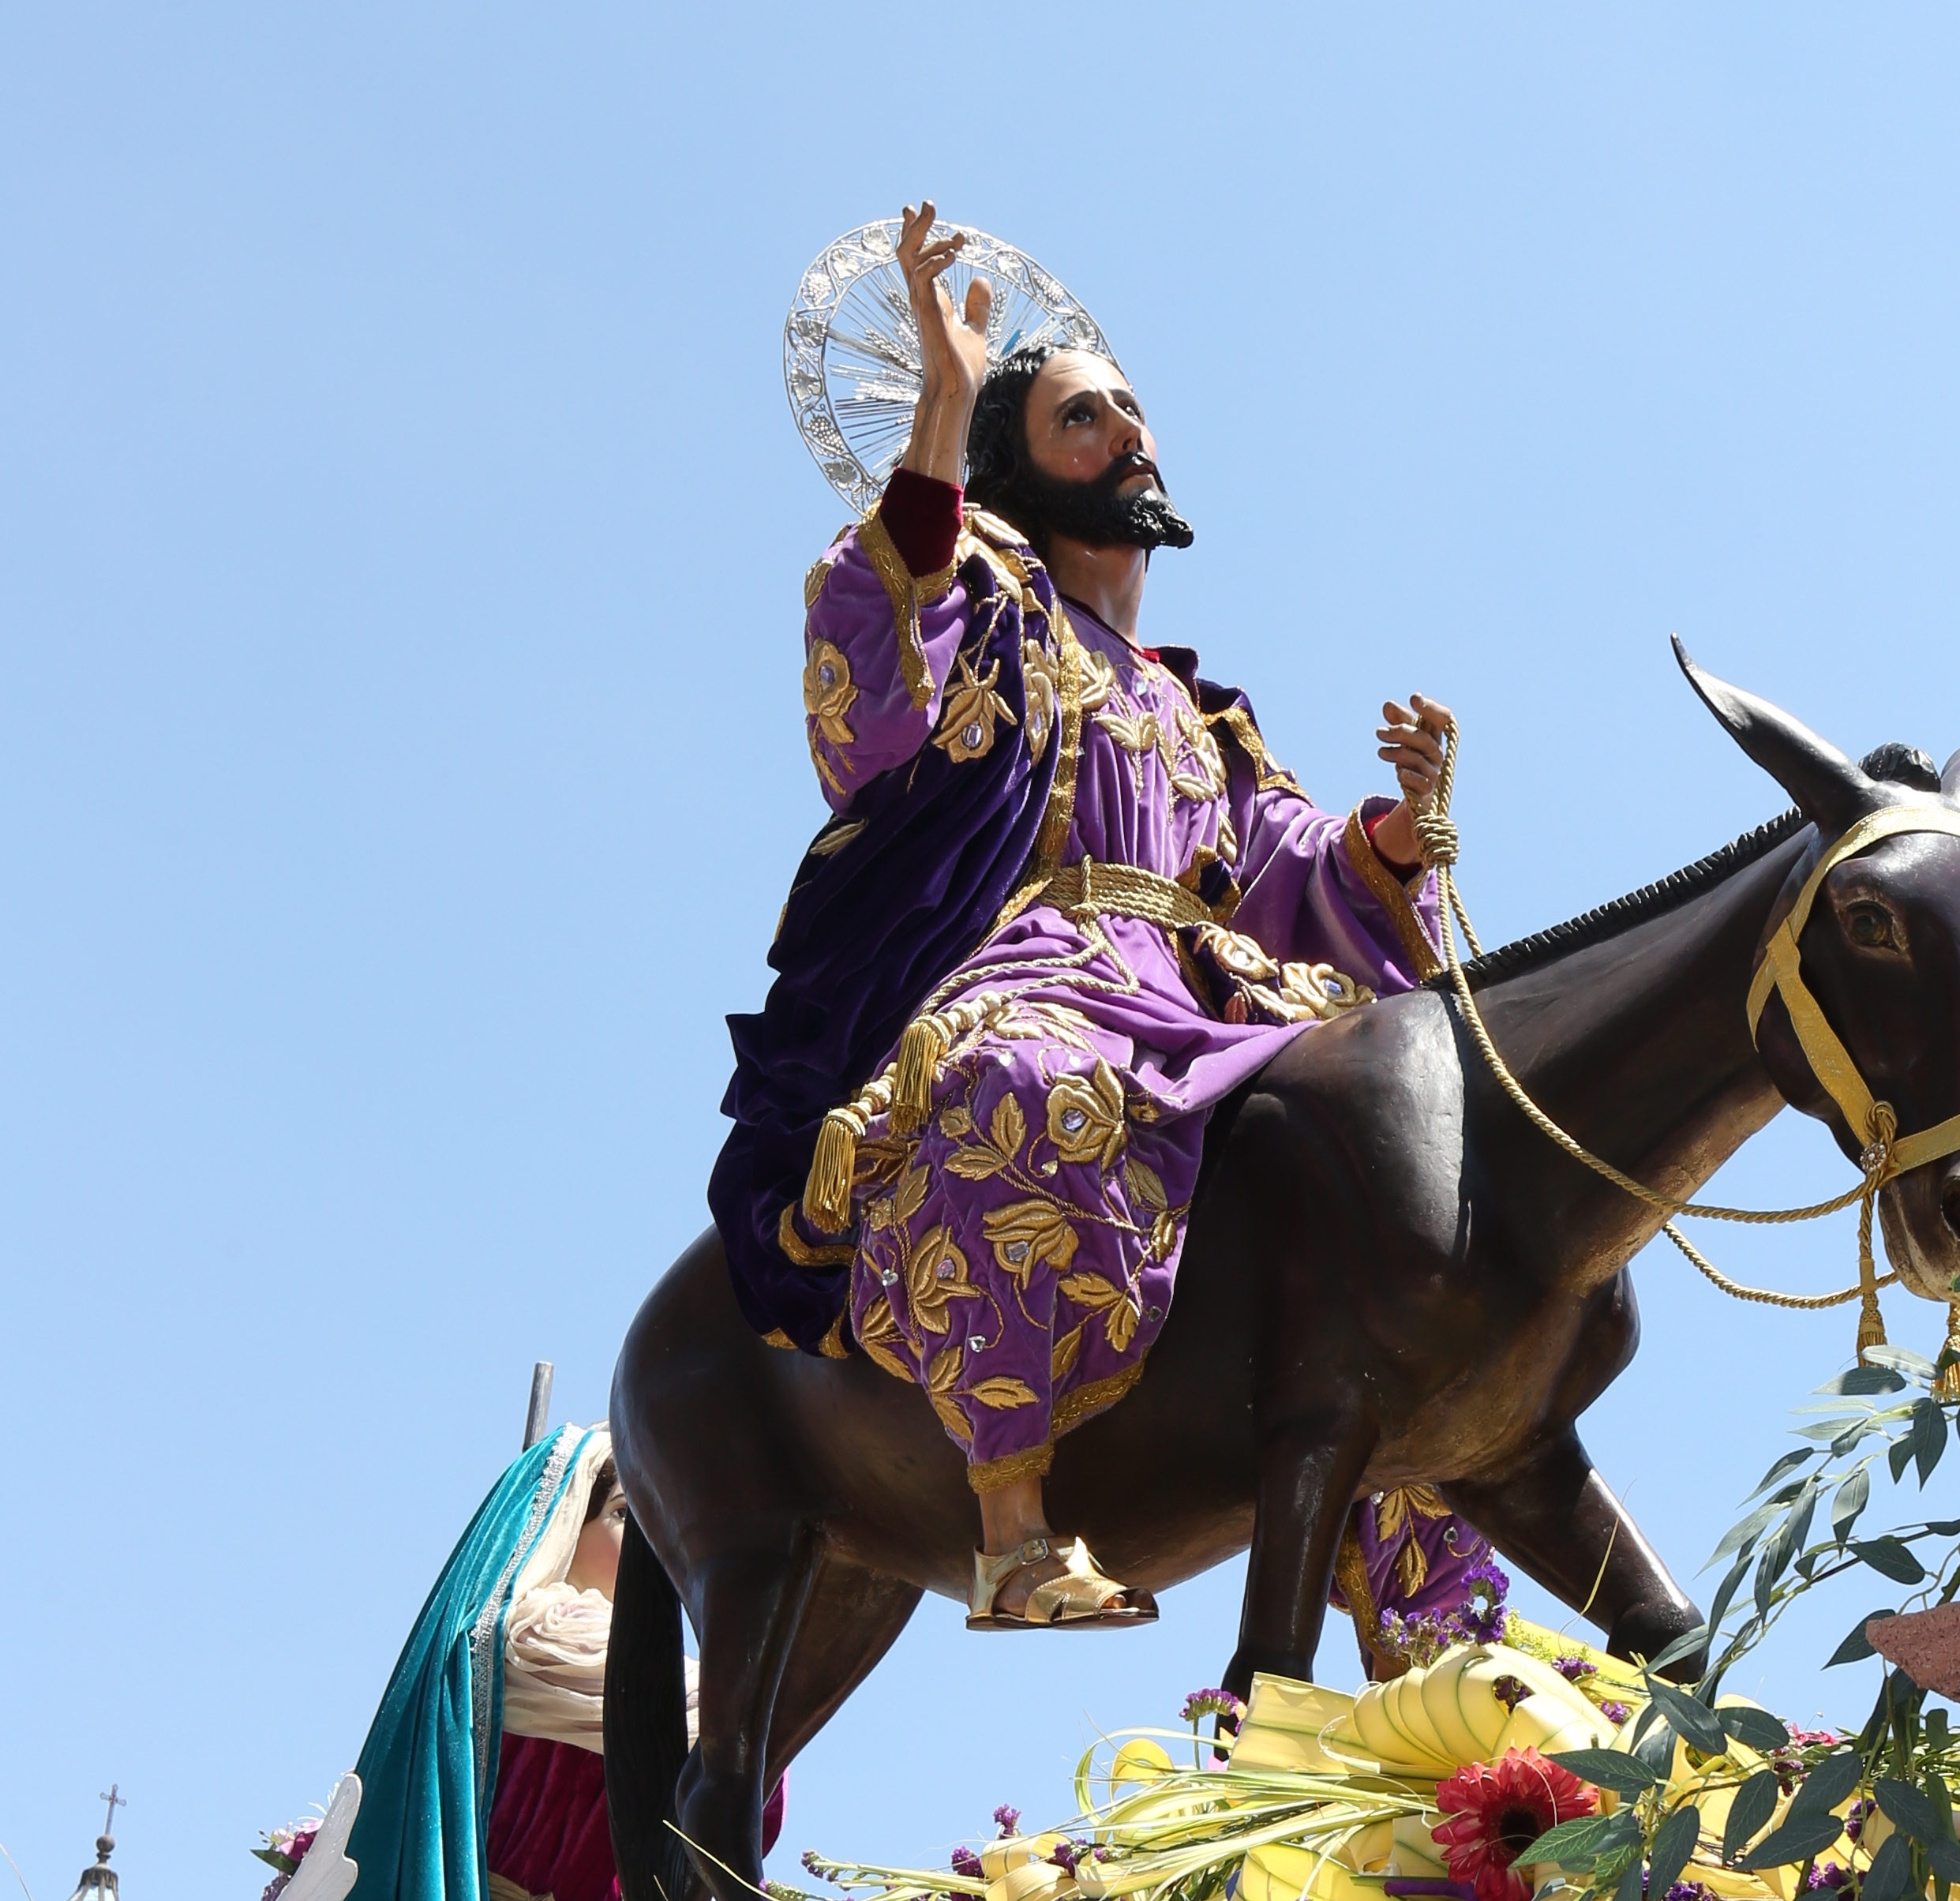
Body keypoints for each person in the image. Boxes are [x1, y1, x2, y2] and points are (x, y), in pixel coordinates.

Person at [709, 202, 1479, 1631]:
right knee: (1015, 1080)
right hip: (1048, 965)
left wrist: (1393, 828)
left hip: (1207, 997)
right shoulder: (993, 606)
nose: (1125, 429)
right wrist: (942, 398)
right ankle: (1010, 1527)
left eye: (1129, 407)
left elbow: (1286, 867)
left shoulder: (1201, 709)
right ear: (1015, 467)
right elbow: (880, 664)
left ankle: (1430, 1618)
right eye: (1082, 415)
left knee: (1399, 1168)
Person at [277, 1427, 779, 1901]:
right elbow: (707, 1719)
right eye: (627, 1514)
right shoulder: (532, 1637)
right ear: (566, 1520)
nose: (653, 1544)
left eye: (666, 1520)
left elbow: (745, 1811)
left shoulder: (690, 1684)